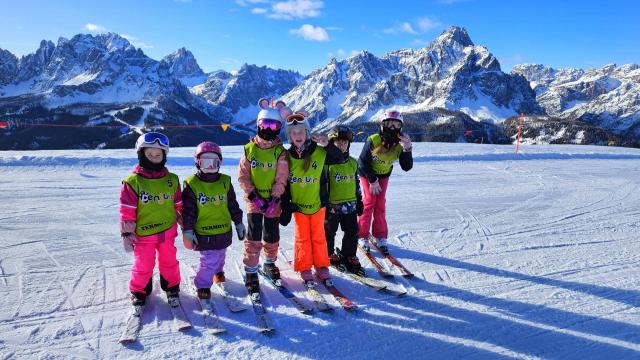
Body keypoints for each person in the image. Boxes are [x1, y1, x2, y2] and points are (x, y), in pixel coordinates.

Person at [279, 112, 343, 287]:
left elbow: (340, 158)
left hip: (318, 205)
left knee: (319, 237)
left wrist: (327, 144)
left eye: (301, 131)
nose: (297, 135)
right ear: (289, 136)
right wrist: (285, 206)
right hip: (298, 207)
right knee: (302, 238)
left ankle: (321, 265)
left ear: (307, 133)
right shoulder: (286, 156)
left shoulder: (320, 152)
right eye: (293, 132)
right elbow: (282, 181)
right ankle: (304, 266)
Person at [119, 132, 183, 306]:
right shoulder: (133, 182)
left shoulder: (172, 180)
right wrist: (126, 233)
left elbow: (179, 204)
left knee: (169, 261)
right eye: (150, 154)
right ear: (141, 154)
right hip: (143, 235)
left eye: (158, 155)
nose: (154, 158)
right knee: (143, 265)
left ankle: (171, 286)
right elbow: (127, 210)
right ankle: (139, 290)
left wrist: (186, 224)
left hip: (167, 232)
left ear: (164, 156)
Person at [237, 98, 291, 293]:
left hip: (272, 203)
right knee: (253, 235)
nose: (268, 129)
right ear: (258, 125)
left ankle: (269, 262)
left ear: (279, 128)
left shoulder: (280, 153)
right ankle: (251, 269)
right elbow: (243, 176)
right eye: (264, 124)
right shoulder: (250, 150)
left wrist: (275, 198)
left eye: (274, 125)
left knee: (271, 233)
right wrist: (253, 197)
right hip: (255, 202)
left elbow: (281, 178)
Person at [182, 142, 246, 300]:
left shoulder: (224, 182)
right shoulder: (192, 184)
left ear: (220, 163)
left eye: (214, 162)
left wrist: (238, 222)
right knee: (209, 260)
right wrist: (188, 230)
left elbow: (232, 204)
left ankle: (218, 272)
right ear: (197, 162)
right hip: (204, 232)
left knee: (221, 255)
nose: (210, 165)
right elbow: (188, 211)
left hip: (223, 230)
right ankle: (203, 285)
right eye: (205, 161)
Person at [357, 109, 413, 252]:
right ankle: (361, 235)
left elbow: (406, 167)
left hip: (383, 176)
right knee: (369, 202)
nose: (392, 128)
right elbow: (362, 162)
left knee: (380, 204)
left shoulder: (400, 144)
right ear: (383, 125)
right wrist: (372, 179)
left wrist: (407, 149)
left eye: (396, 125)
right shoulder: (374, 140)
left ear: (401, 127)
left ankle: (380, 235)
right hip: (367, 173)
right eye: (389, 124)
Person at [323, 126, 365, 276]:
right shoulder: (327, 164)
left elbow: (356, 182)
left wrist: (359, 200)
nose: (341, 144)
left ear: (348, 144)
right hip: (332, 206)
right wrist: (325, 203)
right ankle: (328, 253)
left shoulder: (353, 163)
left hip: (350, 205)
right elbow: (323, 185)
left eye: (344, 142)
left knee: (352, 232)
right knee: (329, 232)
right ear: (332, 143)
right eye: (338, 142)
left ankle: (348, 255)